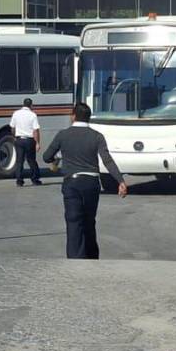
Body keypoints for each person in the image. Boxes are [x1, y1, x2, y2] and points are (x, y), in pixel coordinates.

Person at [42, 102, 128, 259]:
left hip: (72, 183)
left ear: (73, 116)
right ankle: (92, 257)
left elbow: (46, 157)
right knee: (89, 221)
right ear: (89, 118)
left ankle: (76, 260)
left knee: (74, 221)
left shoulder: (63, 134)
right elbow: (107, 160)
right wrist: (120, 181)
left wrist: (58, 156)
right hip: (91, 184)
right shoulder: (97, 136)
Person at [9, 98, 42, 187]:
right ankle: (35, 179)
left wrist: (14, 137)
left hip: (19, 140)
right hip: (29, 140)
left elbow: (12, 127)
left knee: (19, 161)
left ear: (23, 104)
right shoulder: (32, 115)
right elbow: (36, 130)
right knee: (31, 160)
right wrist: (38, 143)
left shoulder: (16, 113)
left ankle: (19, 181)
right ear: (31, 105)